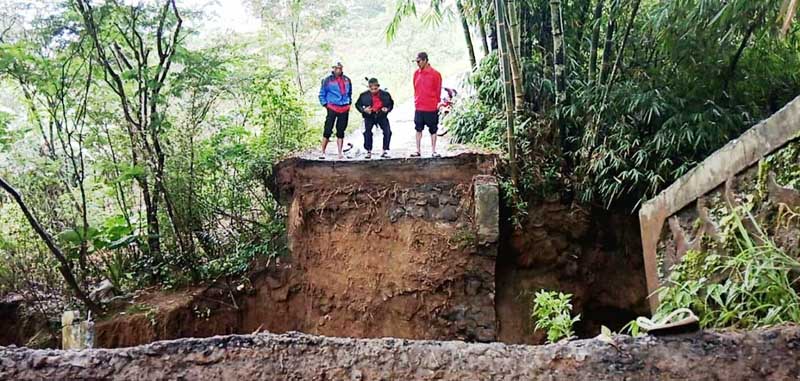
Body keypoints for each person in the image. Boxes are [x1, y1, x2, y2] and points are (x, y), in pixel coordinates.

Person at [318, 61, 352, 159]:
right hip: (332, 106)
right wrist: (325, 104)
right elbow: (322, 93)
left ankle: (340, 153)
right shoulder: (327, 80)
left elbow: (350, 93)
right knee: (328, 129)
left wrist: (349, 103)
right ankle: (323, 152)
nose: (338, 70)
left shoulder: (347, 80)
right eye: (336, 68)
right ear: (333, 69)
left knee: (341, 130)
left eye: (340, 68)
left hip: (344, 107)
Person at [412, 52, 443, 157]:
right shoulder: (416, 73)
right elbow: (415, 88)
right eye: (416, 61)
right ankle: (418, 150)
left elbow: (438, 89)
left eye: (419, 61)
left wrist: (437, 103)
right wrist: (416, 100)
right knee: (418, 128)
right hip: (419, 106)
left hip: (431, 106)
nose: (418, 63)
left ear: (425, 60)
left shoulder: (435, 74)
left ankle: (434, 150)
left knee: (433, 129)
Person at [355, 77, 394, 159]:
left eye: (375, 88)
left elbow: (391, 104)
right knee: (367, 132)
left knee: (388, 132)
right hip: (369, 115)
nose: (373, 90)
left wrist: (387, 109)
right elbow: (357, 105)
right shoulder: (363, 95)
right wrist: (364, 110)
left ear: (378, 86)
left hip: (381, 115)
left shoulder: (385, 94)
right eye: (371, 89)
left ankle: (385, 150)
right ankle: (368, 150)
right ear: (368, 87)